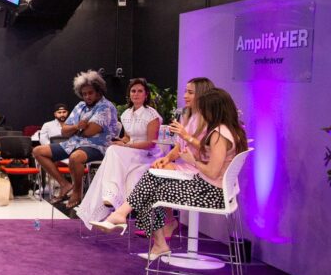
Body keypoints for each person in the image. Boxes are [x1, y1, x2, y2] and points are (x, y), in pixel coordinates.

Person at [92, 88, 247, 261]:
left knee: (149, 191)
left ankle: (140, 229)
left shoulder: (219, 134)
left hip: (210, 193)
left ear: (214, 110)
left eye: (204, 109)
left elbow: (212, 171)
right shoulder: (228, 130)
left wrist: (192, 160)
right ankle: (125, 218)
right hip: (211, 189)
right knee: (152, 180)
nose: (201, 113)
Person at [76, 78, 161, 229]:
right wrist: (121, 141)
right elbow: (128, 136)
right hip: (130, 151)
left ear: (146, 94)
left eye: (140, 91)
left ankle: (111, 195)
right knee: (112, 148)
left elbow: (151, 143)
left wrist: (126, 145)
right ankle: (108, 197)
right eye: (133, 91)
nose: (136, 94)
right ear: (129, 94)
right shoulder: (126, 114)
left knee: (114, 151)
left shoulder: (151, 115)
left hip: (146, 154)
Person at [33, 70, 119, 208]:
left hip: (98, 146)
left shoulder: (106, 107)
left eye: (90, 93)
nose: (87, 96)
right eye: (84, 94)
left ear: (98, 91)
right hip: (73, 143)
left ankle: (77, 192)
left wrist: (74, 129)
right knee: (38, 151)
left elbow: (90, 132)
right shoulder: (80, 106)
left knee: (75, 157)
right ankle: (65, 184)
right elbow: (64, 130)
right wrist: (78, 126)